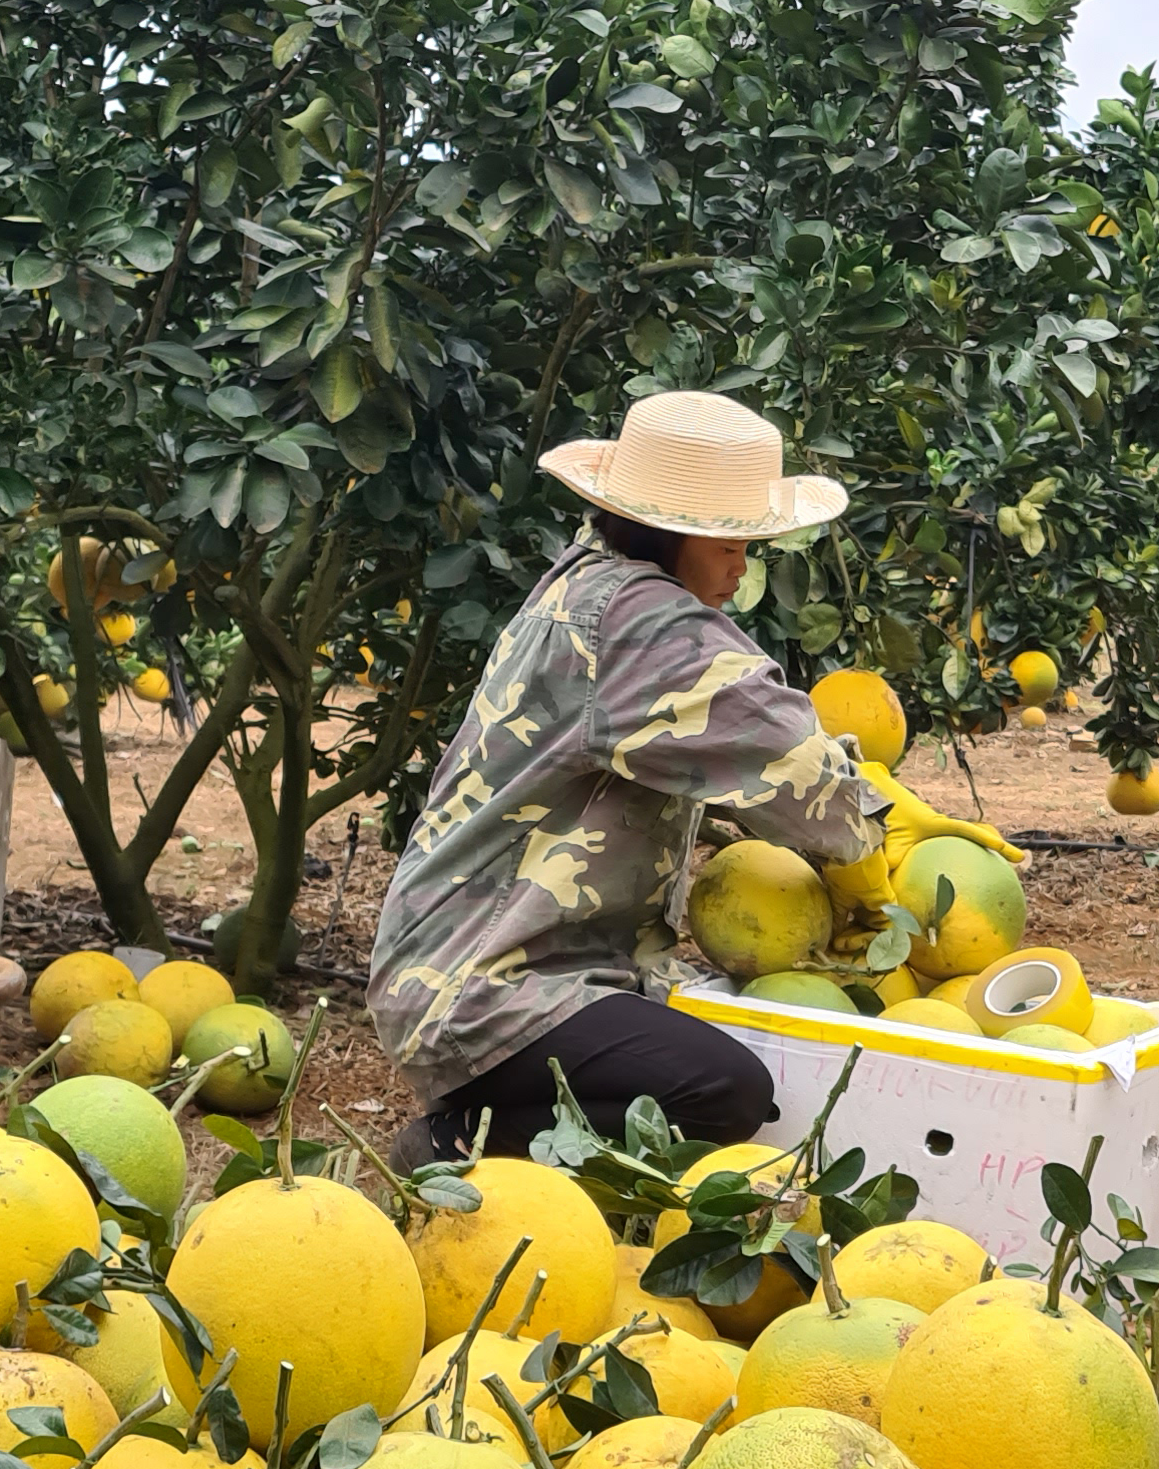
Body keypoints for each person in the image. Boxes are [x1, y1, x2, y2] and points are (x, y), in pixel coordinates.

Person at [373, 391, 889, 1162]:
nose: (741, 567)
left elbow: (704, 757)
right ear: (672, 533)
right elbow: (803, 778)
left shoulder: (591, 585)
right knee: (724, 1090)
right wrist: (874, 856)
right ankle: (454, 1148)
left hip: (481, 965)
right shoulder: (641, 626)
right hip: (482, 986)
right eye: (729, 545)